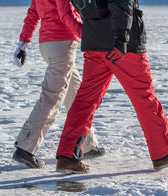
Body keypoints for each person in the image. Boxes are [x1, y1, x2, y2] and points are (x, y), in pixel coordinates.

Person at [55, 0, 168, 174]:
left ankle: (67, 157)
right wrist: (121, 40)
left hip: (95, 44)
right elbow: (121, 4)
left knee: (85, 101)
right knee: (144, 97)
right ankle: (163, 153)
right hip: (123, 48)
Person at [12, 0, 105, 168]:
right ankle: (26, 148)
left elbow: (33, 13)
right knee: (52, 98)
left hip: (48, 45)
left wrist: (23, 43)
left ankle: (87, 144)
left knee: (76, 95)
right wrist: (89, 36)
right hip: (62, 43)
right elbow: (65, 14)